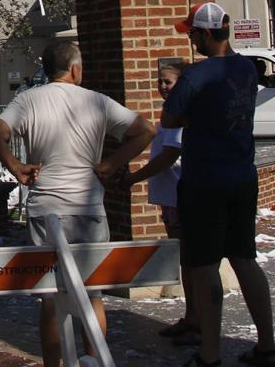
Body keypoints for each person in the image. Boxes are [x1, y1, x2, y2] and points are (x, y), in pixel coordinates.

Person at [0, 41, 155, 367]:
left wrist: (15, 166)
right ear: (75, 69)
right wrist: (112, 163)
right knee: (92, 294)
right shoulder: (96, 101)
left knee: (51, 300)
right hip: (88, 207)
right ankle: (96, 359)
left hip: (44, 207)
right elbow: (146, 130)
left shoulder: (27, 101)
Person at [161, 2, 275, 367]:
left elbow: (169, 117)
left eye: (193, 33)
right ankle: (267, 346)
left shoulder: (197, 75)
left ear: (206, 34)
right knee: (245, 259)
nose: (191, 39)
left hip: (203, 182)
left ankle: (209, 354)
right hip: (243, 175)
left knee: (204, 265)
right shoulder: (246, 68)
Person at [123, 57, 198, 346]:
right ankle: (191, 316)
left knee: (191, 261)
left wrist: (133, 177)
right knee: (184, 260)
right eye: (160, 81)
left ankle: (197, 319)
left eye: (168, 81)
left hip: (183, 196)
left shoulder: (181, 115)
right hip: (171, 198)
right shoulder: (169, 112)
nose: (162, 86)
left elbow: (169, 156)